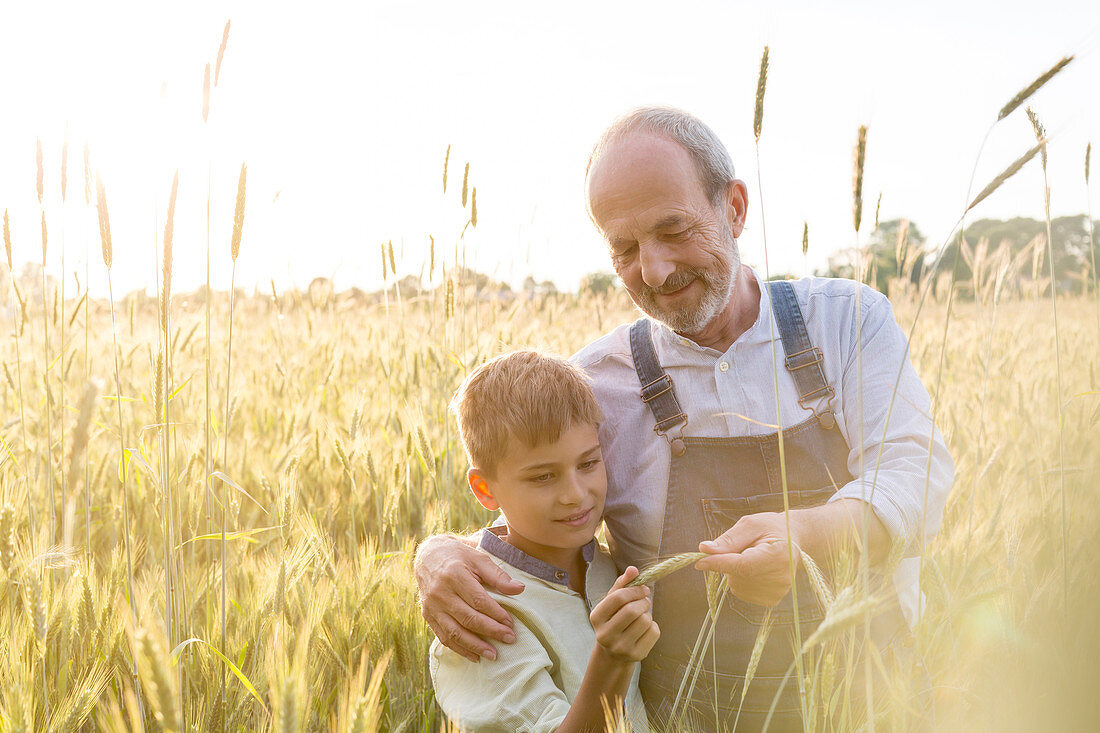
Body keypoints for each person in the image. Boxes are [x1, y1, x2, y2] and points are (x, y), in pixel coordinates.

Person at [416, 107, 954, 730]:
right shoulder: (599, 382)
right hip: (698, 718)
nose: (655, 271)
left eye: (674, 230)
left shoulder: (848, 322)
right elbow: (533, 498)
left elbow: (916, 476)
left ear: (733, 207)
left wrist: (807, 534)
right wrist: (439, 553)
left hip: (871, 705)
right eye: (624, 250)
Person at [430, 350, 657, 732]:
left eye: (588, 463)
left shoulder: (605, 562)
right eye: (543, 477)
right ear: (485, 489)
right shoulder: (480, 615)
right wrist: (612, 661)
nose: (576, 494)